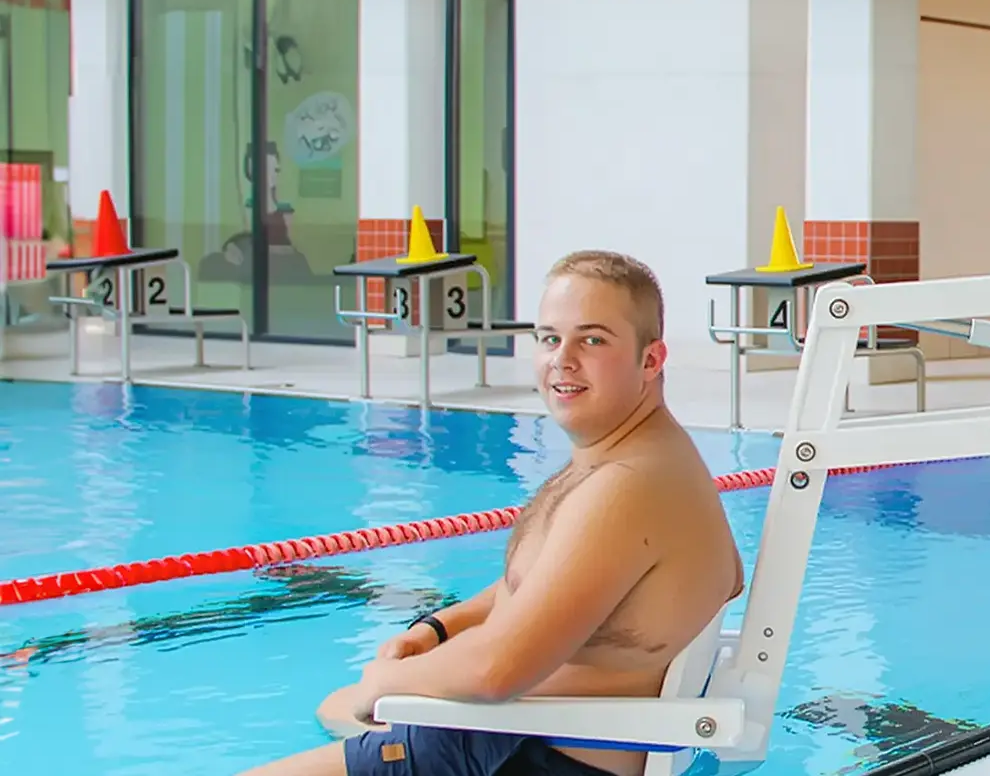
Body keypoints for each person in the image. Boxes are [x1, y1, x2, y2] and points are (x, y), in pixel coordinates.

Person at [243, 250, 745, 776]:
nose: (563, 359)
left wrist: (385, 683)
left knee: (354, 703)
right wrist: (439, 628)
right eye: (550, 338)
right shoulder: (642, 458)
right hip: (522, 729)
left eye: (592, 339)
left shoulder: (627, 488)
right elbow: (555, 582)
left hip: (522, 750)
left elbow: (495, 671)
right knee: (340, 705)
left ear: (651, 359)